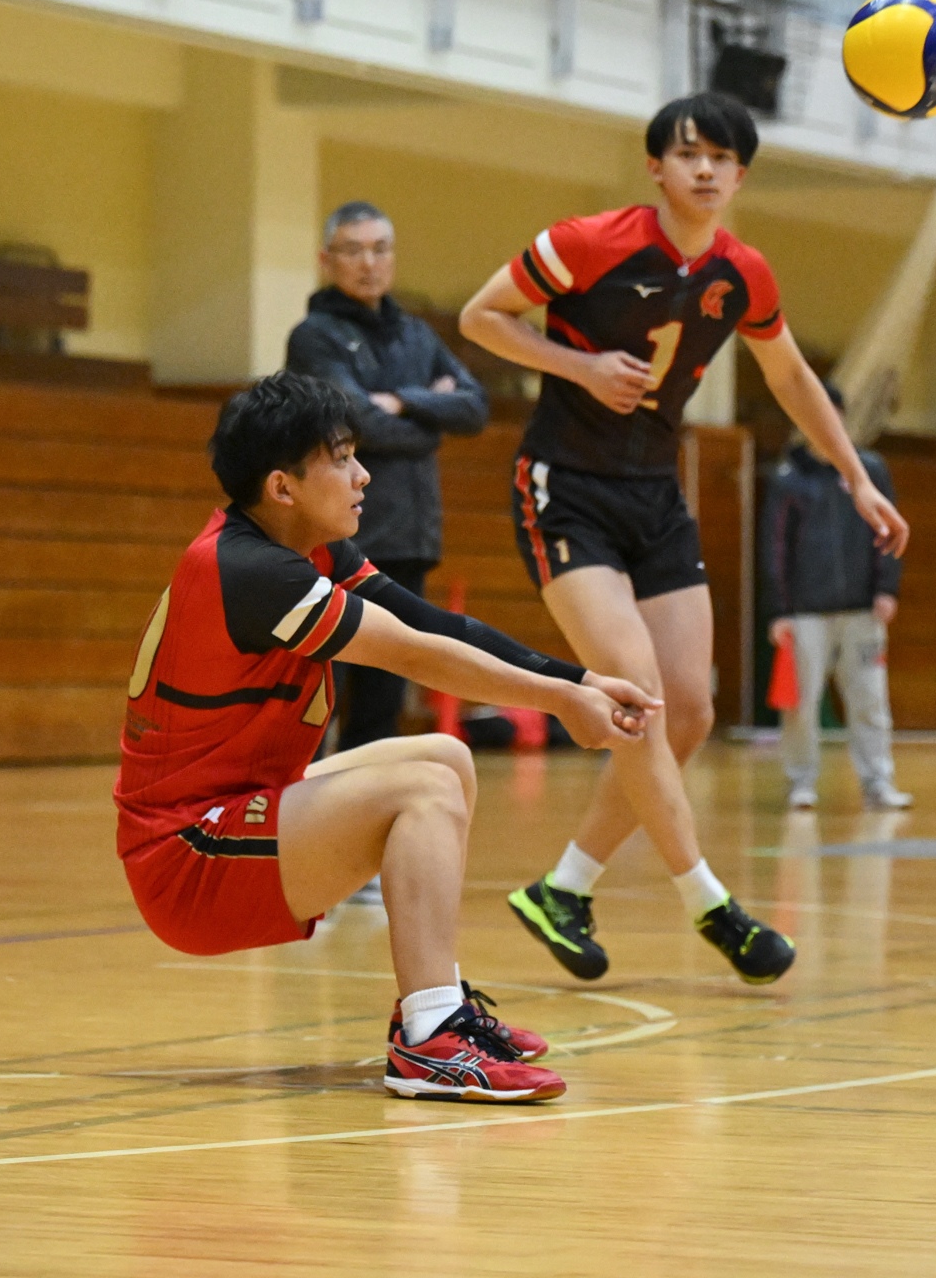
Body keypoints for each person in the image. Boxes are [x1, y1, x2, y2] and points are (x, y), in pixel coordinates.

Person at [459, 91, 905, 985]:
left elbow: (790, 377)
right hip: (566, 491)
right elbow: (481, 316)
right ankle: (711, 902)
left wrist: (856, 476)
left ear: (741, 176)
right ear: (655, 167)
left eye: (722, 158)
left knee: (691, 711)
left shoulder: (744, 274)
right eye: (689, 154)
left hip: (656, 497)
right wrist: (580, 366)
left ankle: (563, 888)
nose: (705, 170)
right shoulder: (590, 242)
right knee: (640, 696)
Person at [117, 373, 658, 1101]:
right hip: (188, 855)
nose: (363, 474)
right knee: (422, 788)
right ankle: (430, 1041)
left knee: (445, 755)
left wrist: (581, 680)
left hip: (235, 812)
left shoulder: (306, 550)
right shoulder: (250, 570)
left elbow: (435, 625)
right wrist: (561, 701)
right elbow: (414, 655)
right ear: (282, 487)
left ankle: (438, 1006)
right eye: (342, 458)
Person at [286, 199, 489, 765]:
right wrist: (430, 419)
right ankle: (298, 810)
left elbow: (474, 407)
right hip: (338, 542)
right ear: (327, 259)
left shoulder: (417, 336)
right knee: (320, 699)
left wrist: (401, 400)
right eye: (353, 250)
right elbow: (357, 420)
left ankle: (362, 810)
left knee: (382, 707)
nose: (368, 263)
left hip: (408, 540)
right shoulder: (314, 337)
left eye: (380, 249)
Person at [760, 382, 908, 810]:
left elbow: (888, 528)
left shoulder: (870, 470)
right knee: (801, 705)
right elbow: (774, 547)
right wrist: (780, 610)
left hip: (862, 610)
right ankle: (801, 780)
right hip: (806, 613)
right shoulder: (789, 479)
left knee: (870, 699)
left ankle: (877, 782)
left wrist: (886, 588)